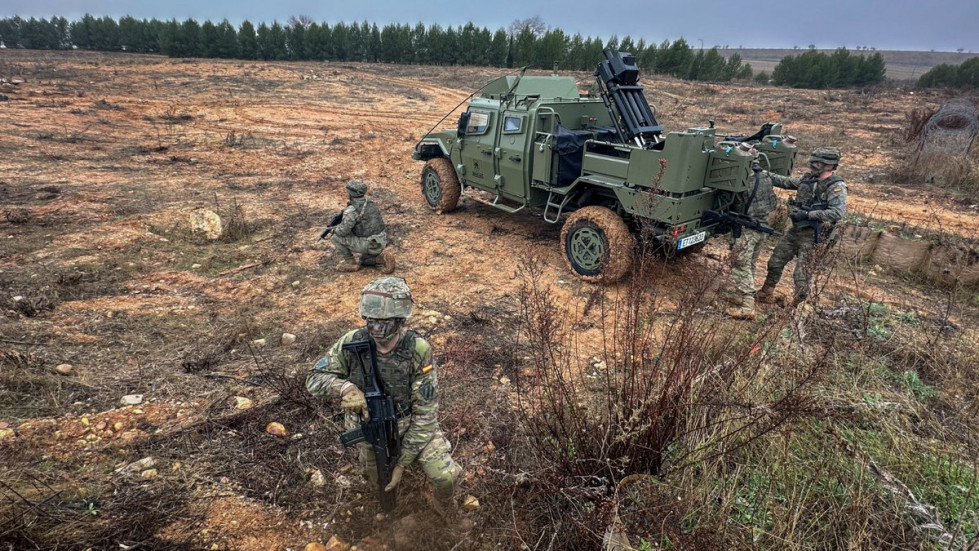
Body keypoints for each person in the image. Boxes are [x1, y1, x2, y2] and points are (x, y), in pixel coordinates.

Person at [306, 277, 465, 524]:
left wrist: (403, 462)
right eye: (371, 320)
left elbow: (426, 412)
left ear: (400, 320)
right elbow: (315, 377)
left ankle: (443, 505)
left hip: (411, 424)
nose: (377, 328)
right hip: (371, 429)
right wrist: (345, 387)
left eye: (385, 322)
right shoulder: (352, 342)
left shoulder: (417, 349)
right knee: (377, 481)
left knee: (446, 477)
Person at [757, 146, 847, 306]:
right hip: (795, 231)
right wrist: (763, 174)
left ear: (829, 165)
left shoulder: (836, 187)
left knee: (801, 276)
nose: (813, 165)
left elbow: (836, 213)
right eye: (813, 161)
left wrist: (808, 215)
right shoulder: (808, 179)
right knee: (775, 262)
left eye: (818, 162)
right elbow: (785, 182)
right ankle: (766, 292)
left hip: (814, 237)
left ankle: (796, 307)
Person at [724, 158, 780, 320]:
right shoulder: (763, 176)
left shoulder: (742, 179)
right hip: (761, 227)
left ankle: (747, 306)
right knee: (750, 264)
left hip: (748, 230)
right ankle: (742, 297)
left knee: (740, 263)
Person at [330, 179, 396, 273]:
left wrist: (334, 228)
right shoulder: (370, 204)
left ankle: (351, 263)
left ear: (350, 193)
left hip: (368, 243)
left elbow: (342, 232)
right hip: (380, 241)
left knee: (335, 237)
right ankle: (381, 258)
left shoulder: (352, 210)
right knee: (363, 261)